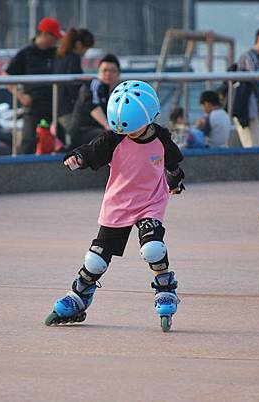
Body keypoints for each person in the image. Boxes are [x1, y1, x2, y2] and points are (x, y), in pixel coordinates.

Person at [45, 80, 185, 332]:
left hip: (150, 202)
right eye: (124, 128)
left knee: (152, 248)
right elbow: (92, 150)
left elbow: (172, 164)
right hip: (118, 204)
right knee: (95, 260)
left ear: (149, 118)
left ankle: (165, 289)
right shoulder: (114, 138)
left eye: (134, 128)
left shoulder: (162, 138)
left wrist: (174, 181)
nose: (128, 133)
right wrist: (78, 158)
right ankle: (79, 295)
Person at [3, 17, 63, 154]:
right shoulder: (26, 53)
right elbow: (6, 76)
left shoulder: (56, 53)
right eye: (54, 37)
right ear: (44, 34)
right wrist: (21, 96)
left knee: (60, 141)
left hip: (54, 106)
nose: (56, 41)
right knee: (29, 142)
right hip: (33, 106)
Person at [68, 54, 120, 148]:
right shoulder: (93, 84)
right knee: (110, 137)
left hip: (99, 131)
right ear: (99, 72)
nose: (108, 74)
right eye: (105, 70)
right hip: (82, 131)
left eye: (112, 70)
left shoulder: (118, 91)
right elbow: (93, 107)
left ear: (118, 74)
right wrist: (108, 127)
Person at [55, 28, 95, 144]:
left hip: (59, 107)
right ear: (79, 45)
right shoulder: (74, 58)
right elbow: (74, 85)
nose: (86, 52)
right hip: (69, 108)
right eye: (86, 48)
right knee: (75, 139)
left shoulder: (61, 56)